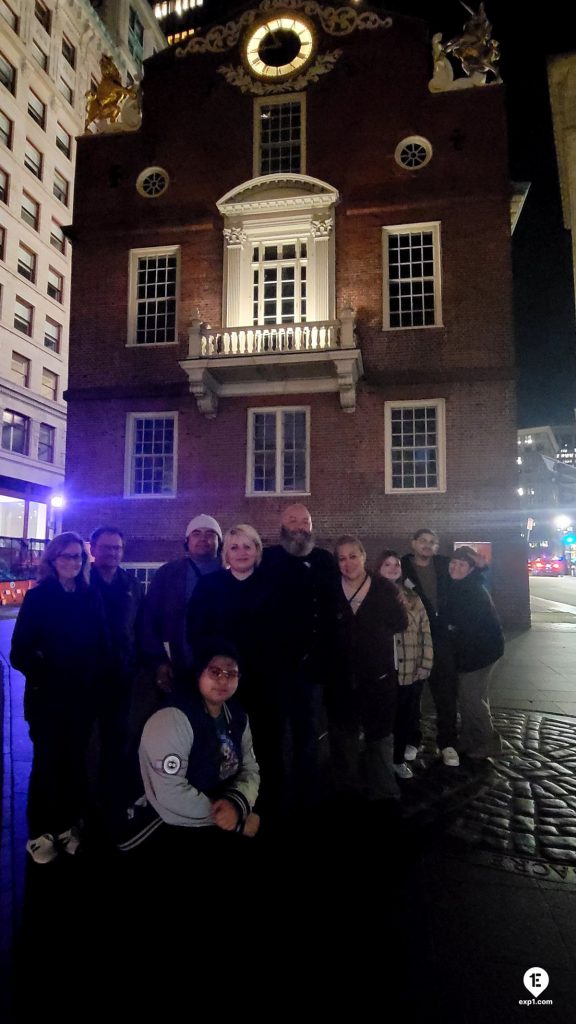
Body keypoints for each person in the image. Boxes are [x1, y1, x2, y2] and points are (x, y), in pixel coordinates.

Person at [10, 532, 109, 864]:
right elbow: (20, 652)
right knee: (46, 765)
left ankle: (68, 825)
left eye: (78, 557)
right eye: (66, 556)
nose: (73, 562)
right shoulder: (38, 599)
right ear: (52, 560)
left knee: (74, 764)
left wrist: (94, 678)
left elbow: (102, 643)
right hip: (48, 699)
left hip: (82, 698)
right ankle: (40, 833)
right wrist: (51, 672)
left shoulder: (90, 596)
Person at [119, 644, 260, 857]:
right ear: (199, 673)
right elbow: (169, 794)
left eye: (231, 673)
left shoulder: (237, 715)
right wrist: (234, 820)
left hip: (210, 804)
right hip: (152, 821)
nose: (223, 680)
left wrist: (237, 803)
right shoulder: (172, 719)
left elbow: (250, 766)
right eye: (215, 672)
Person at [187, 524, 280, 813]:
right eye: (234, 547)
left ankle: (263, 800)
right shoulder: (210, 586)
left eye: (247, 546)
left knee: (264, 741)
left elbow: (285, 631)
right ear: (226, 553)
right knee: (221, 740)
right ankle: (220, 801)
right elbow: (196, 630)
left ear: (257, 551)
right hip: (222, 681)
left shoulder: (272, 585)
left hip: (263, 680)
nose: (241, 553)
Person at [259, 504, 341, 809]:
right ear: (282, 525)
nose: (299, 526)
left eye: (304, 521)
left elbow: (334, 610)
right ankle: (273, 790)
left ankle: (306, 792)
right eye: (292, 521)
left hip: (313, 665)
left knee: (307, 730)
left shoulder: (323, 560)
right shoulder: (268, 559)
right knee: (274, 731)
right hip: (276, 666)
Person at [328, 536, 408, 802]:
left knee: (380, 736)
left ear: (363, 556)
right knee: (344, 737)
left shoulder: (384, 589)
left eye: (353, 556)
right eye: (341, 558)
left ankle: (384, 791)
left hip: (378, 677)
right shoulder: (330, 590)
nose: (348, 563)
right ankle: (347, 789)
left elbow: (400, 622)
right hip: (342, 679)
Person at [89, 526, 144, 803]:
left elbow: (141, 626)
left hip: (121, 676)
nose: (112, 553)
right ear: (93, 549)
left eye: (117, 548)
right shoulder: (81, 583)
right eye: (107, 547)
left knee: (117, 738)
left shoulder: (131, 584)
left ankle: (110, 797)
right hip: (86, 677)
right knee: (84, 741)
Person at [139, 514, 222, 694]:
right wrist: (158, 660)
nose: (203, 539)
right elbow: (149, 620)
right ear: (187, 540)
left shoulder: (228, 573)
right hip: (177, 665)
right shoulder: (168, 573)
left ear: (219, 541)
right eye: (196, 533)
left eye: (210, 534)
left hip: (218, 668)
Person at [401, 529, 460, 767]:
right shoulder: (403, 567)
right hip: (414, 638)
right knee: (413, 693)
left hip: (442, 639)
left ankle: (447, 743)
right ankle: (412, 740)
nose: (427, 545)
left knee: (445, 694)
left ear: (437, 547)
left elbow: (469, 573)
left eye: (432, 542)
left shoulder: (445, 566)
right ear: (413, 543)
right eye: (423, 541)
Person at [446, 546, 507, 759]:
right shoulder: (462, 584)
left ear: (471, 569)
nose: (456, 567)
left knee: (473, 699)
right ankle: (470, 738)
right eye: (453, 563)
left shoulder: (470, 590)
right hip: (475, 651)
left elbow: (466, 625)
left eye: (462, 564)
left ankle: (490, 742)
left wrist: (450, 628)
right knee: (468, 697)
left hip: (479, 653)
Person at [377, 550, 433, 780]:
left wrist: (426, 663)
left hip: (408, 668)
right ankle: (379, 761)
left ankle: (397, 759)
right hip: (382, 670)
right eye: (387, 564)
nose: (392, 568)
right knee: (382, 718)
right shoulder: (371, 596)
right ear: (378, 568)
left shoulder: (412, 597)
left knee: (404, 718)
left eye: (396, 564)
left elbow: (425, 631)